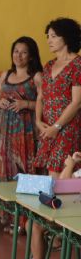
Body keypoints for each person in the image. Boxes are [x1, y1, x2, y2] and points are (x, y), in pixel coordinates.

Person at [0, 37, 43, 233]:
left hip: (26, 131)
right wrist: (0, 103)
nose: (18, 55)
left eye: (23, 52)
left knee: (26, 172)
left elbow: (44, 103)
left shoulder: (37, 76)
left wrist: (26, 104)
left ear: (31, 56)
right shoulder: (6, 75)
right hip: (6, 131)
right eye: (15, 51)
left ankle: (26, 221)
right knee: (7, 172)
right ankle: (11, 217)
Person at [17, 151, 81, 259]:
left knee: (35, 226)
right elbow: (60, 184)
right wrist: (71, 165)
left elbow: (62, 186)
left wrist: (69, 165)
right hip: (71, 216)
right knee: (30, 223)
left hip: (75, 221)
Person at [34, 17, 81, 177]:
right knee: (48, 173)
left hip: (67, 127)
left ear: (66, 37)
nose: (49, 41)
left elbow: (77, 102)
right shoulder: (48, 65)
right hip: (47, 128)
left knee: (60, 174)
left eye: (53, 36)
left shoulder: (78, 64)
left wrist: (57, 127)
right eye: (48, 36)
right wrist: (38, 121)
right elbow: (41, 97)